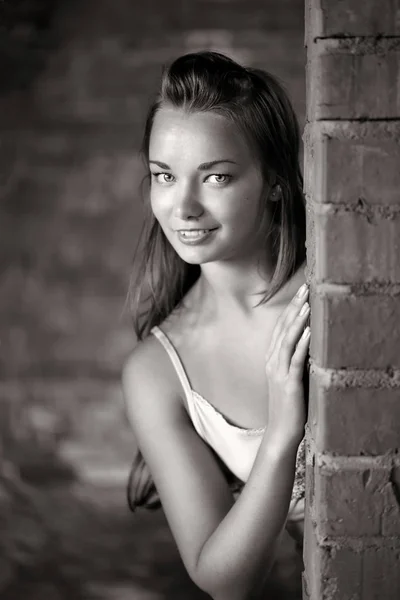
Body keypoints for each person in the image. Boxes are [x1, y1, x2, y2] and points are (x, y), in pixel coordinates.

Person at [122, 50, 310, 600]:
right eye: (164, 175)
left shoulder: (343, 289)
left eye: (217, 177)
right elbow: (221, 579)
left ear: (274, 182)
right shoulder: (157, 371)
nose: (183, 206)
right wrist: (280, 434)